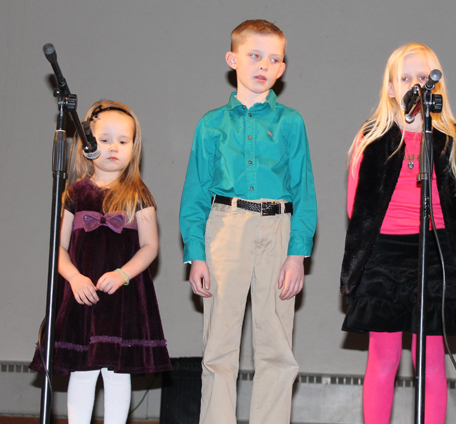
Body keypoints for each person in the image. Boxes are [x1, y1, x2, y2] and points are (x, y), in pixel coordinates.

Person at [179, 19, 317, 424]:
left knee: (276, 346)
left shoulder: (291, 122)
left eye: (274, 59)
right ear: (232, 59)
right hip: (225, 228)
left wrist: (297, 253)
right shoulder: (211, 124)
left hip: (278, 229)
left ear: (281, 69)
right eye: (254, 55)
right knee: (219, 347)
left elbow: (305, 191)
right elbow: (195, 194)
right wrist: (196, 253)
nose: (263, 65)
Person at [340, 43, 456, 424]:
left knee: (431, 360)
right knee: (384, 357)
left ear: (436, 86)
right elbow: (357, 207)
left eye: (424, 78)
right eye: (406, 78)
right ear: (391, 88)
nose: (416, 85)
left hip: (434, 251)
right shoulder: (372, 137)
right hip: (385, 254)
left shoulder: (451, 138)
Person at [30, 100, 171, 424]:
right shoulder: (74, 194)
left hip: (122, 299)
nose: (114, 148)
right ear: (87, 144)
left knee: (116, 372)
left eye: (123, 141)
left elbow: (150, 246)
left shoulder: (139, 194)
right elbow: (59, 249)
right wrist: (75, 278)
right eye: (105, 140)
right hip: (83, 297)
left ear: (134, 148)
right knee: (83, 370)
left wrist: (123, 273)